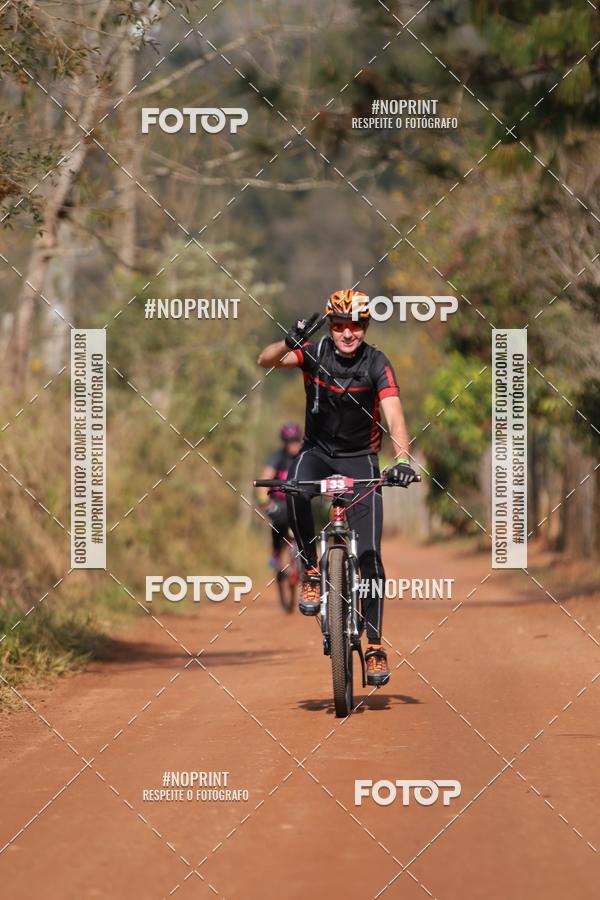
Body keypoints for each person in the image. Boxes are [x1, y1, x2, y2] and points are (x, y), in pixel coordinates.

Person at [257, 289, 417, 686]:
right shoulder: (314, 354)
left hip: (361, 457)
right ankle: (311, 569)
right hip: (317, 453)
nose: (348, 333)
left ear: (365, 327)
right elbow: (265, 360)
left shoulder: (378, 363)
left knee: (372, 559)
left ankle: (376, 648)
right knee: (294, 486)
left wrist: (400, 460)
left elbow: (394, 414)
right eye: (341, 325)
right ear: (331, 326)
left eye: (356, 326)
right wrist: (287, 341)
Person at [257, 423, 302, 573]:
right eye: (290, 441)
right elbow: (265, 477)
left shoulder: (304, 457)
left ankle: (306, 560)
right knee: (280, 520)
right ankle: (276, 552)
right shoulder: (277, 457)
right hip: (279, 502)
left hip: (299, 501)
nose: (293, 444)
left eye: (296, 440)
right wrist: (264, 501)